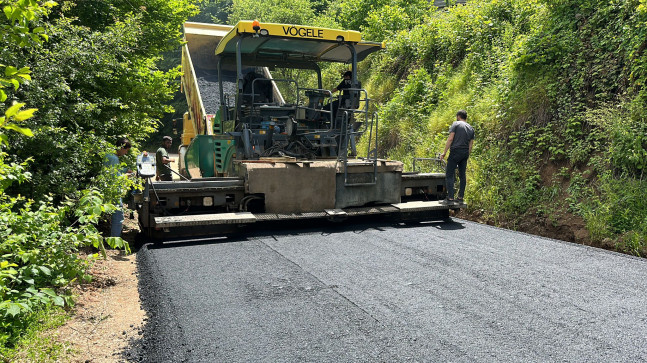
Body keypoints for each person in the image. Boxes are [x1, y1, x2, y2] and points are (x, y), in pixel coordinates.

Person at [439, 110, 474, 205]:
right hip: (465, 152)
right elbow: (471, 145)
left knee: (449, 174)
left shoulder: (456, 124)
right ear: (465, 117)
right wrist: (467, 155)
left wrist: (444, 152)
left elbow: (450, 138)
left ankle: (450, 198)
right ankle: (460, 197)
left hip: (455, 151)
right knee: (462, 175)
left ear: (458, 116)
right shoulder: (471, 128)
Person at [105, 137, 131, 237]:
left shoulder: (109, 155)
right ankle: (115, 240)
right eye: (126, 150)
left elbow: (113, 170)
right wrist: (126, 176)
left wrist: (125, 170)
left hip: (109, 190)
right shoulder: (114, 158)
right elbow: (114, 177)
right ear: (121, 148)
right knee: (118, 215)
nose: (126, 153)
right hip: (114, 191)